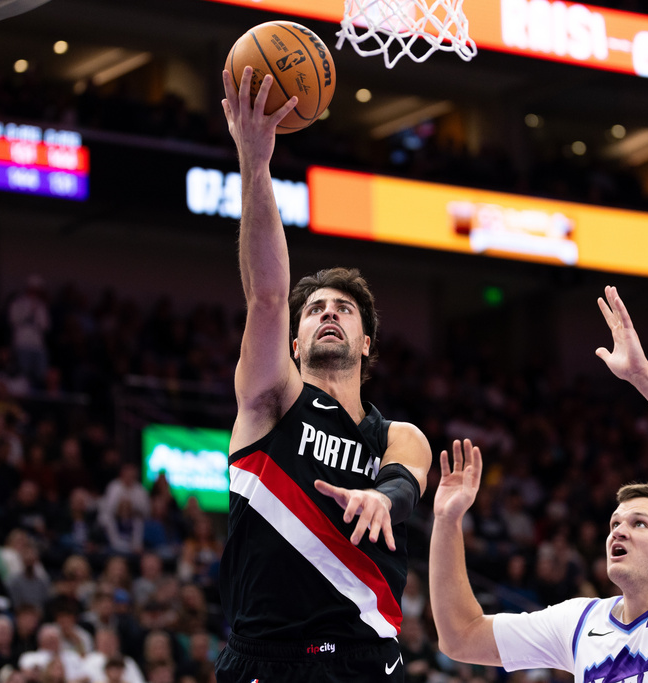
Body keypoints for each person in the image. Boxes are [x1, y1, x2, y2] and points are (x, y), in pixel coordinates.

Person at [213, 66, 432, 683]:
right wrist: (256, 164)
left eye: (344, 309)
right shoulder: (272, 401)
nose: (328, 313)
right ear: (295, 337)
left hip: (367, 662)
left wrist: (379, 498)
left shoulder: (399, 436)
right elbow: (265, 295)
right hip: (268, 658)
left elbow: (405, 482)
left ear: (366, 343)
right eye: (314, 310)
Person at [430, 286, 648, 682]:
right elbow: (461, 637)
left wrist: (644, 379)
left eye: (639, 523)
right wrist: (447, 523)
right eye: (615, 523)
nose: (618, 529)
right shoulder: (580, 622)